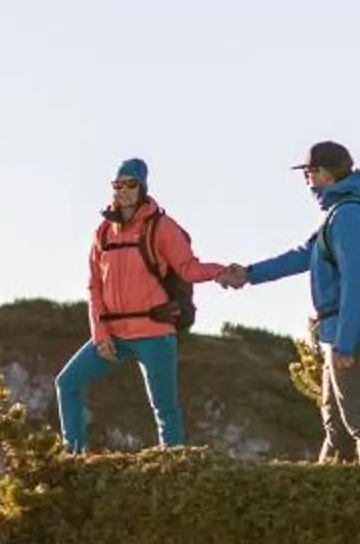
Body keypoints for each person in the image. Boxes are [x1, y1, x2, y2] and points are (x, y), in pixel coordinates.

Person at [56, 157, 237, 454]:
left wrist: (221, 271)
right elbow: (94, 287)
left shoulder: (162, 227)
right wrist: (100, 335)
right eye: (117, 184)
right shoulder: (102, 233)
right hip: (112, 334)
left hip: (154, 332)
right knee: (67, 383)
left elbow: (188, 268)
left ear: (142, 188)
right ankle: (72, 455)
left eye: (130, 184)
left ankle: (174, 466)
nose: (123, 190)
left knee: (165, 407)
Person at [235, 138, 360, 467]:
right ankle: (323, 498)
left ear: (328, 174)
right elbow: (301, 256)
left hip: (353, 332)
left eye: (310, 172)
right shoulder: (340, 213)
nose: (306, 180)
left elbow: (357, 281)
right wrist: (248, 274)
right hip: (339, 332)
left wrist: (345, 344)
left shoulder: (349, 215)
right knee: (336, 427)